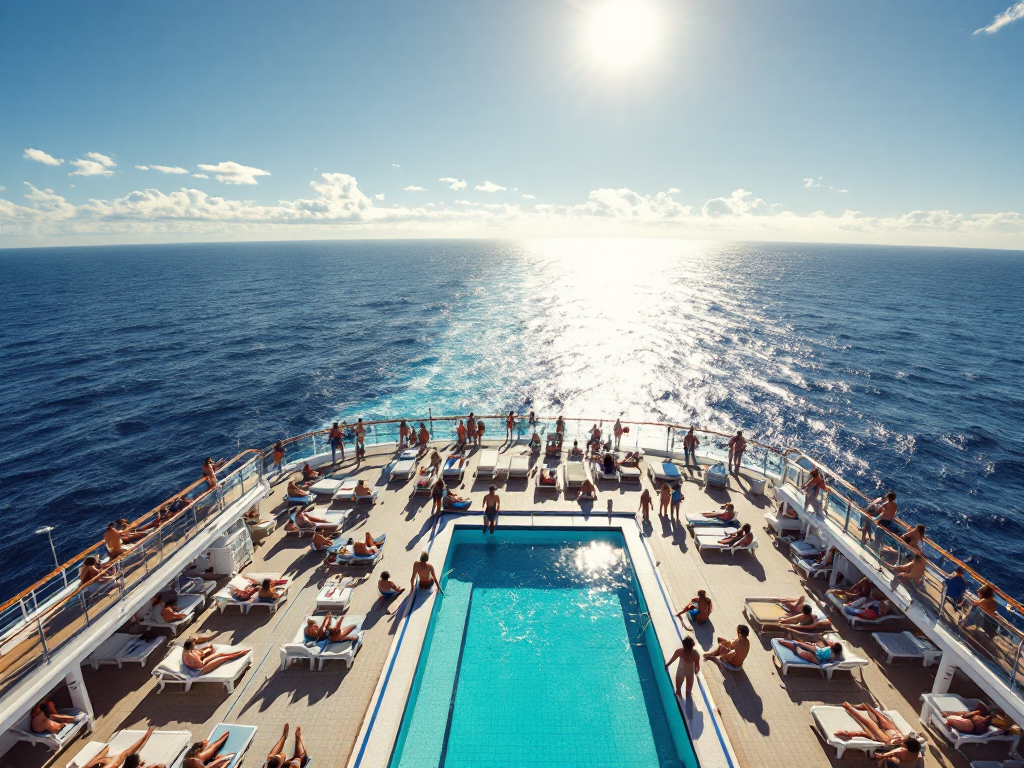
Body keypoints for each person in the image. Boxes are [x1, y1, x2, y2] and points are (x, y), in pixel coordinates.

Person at [834, 703, 912, 747]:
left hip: (882, 737)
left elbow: (868, 723)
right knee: (883, 721)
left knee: (868, 728)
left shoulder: (886, 740)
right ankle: (867, 707)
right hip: (890, 732)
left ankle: (862, 708)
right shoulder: (904, 739)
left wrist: (850, 710)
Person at [81, 727, 159, 768]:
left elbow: (127, 752)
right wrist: (145, 737)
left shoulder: (95, 761)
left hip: (108, 757)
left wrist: (145, 737)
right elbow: (128, 752)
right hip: (112, 758)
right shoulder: (114, 762)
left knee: (107, 752)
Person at [182, 640, 249, 674]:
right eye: (194, 644)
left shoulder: (189, 652)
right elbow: (200, 663)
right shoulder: (190, 655)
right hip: (201, 669)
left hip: (202, 662)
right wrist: (204, 656)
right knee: (223, 658)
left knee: (221, 653)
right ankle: (242, 653)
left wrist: (203, 654)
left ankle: (241, 652)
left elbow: (198, 656)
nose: (195, 645)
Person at [778, 637, 843, 665]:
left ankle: (796, 643)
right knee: (803, 646)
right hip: (817, 653)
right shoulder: (833, 655)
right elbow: (832, 659)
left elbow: (828, 646)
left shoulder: (829, 648)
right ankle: (797, 643)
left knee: (802, 646)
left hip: (816, 651)